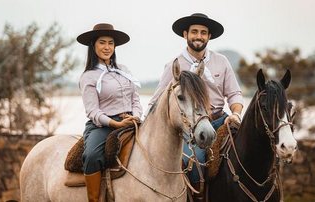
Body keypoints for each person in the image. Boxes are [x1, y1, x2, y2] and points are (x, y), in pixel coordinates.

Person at [146, 13, 244, 201]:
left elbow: (234, 94)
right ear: (185, 34)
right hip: (189, 127)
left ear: (209, 37)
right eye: (194, 32)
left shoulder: (221, 61)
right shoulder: (174, 65)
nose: (199, 36)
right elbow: (157, 100)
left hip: (221, 120)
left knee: (244, 154)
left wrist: (237, 114)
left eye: (203, 33)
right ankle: (195, 198)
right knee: (195, 164)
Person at [77, 23, 142, 202]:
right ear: (93, 46)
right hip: (103, 126)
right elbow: (92, 111)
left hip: (131, 120)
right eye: (102, 43)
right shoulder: (88, 76)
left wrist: (136, 115)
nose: (107, 47)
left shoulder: (124, 70)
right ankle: (94, 198)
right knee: (91, 155)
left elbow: (135, 98)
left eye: (110, 43)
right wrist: (115, 124)